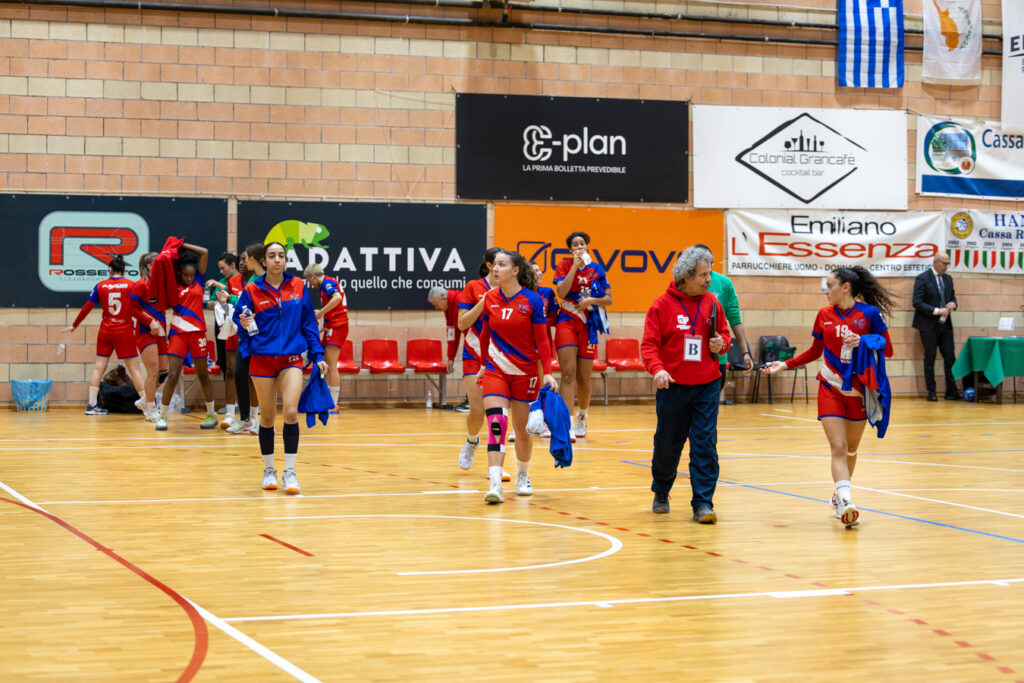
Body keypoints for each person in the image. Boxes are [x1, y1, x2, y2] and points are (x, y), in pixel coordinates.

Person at [762, 265, 896, 528]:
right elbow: (815, 351)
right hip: (830, 386)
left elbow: (888, 348)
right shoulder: (823, 314)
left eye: (829, 285)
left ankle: (838, 495)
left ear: (845, 288)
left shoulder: (869, 314)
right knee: (837, 447)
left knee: (851, 449)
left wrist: (866, 340)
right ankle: (846, 501)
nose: (825, 290)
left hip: (859, 390)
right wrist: (785, 364)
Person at [640, 247, 730, 522]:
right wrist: (658, 370)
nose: (708, 279)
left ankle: (703, 503)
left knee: (704, 444)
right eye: (703, 274)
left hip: (707, 384)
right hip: (673, 387)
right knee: (668, 443)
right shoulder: (660, 306)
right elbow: (649, 345)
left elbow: (724, 334)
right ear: (686, 276)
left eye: (709, 273)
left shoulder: (713, 302)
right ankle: (662, 491)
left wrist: (721, 343)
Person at [234, 241, 327, 494]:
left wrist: (317, 354)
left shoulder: (298, 286)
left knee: (290, 412)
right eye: (272, 256)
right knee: (265, 417)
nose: (277, 259)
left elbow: (308, 323)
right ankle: (268, 470)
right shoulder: (251, 289)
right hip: (262, 360)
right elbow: (238, 321)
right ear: (264, 261)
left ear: (286, 260)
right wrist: (243, 322)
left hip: (291, 359)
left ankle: (290, 471)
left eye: (281, 255)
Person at [476, 250, 558, 503]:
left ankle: (523, 475)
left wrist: (548, 373)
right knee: (496, 425)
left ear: (515, 271)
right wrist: (482, 365)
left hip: (525, 372)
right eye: (494, 265)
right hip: (496, 370)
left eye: (501, 265)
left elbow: (543, 340)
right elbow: (484, 336)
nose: (495, 269)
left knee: (522, 431)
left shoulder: (533, 301)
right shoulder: (490, 297)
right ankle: (495, 483)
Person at [63, 255, 148, 415]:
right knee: (135, 370)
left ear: (110, 270)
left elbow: (87, 307)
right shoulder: (132, 285)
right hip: (124, 330)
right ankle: (147, 407)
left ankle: (92, 405)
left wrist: (74, 325)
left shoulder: (100, 285)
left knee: (98, 368)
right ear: (123, 270)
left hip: (106, 329)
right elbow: (141, 308)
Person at [456, 247, 510, 481]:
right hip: (474, 354)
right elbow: (461, 323)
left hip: (501, 357)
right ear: (489, 265)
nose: (500, 268)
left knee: (497, 413)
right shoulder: (473, 288)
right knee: (477, 410)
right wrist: (485, 302)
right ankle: (471, 440)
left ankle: (494, 468)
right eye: (497, 263)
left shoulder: (512, 289)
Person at [553, 231, 612, 440]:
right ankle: (567, 423)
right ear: (570, 249)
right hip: (567, 320)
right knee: (567, 374)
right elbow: (561, 292)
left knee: (583, 379)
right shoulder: (563, 265)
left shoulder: (596, 269)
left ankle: (583, 416)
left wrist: (590, 302)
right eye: (574, 245)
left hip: (587, 324)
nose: (578, 247)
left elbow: (609, 298)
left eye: (582, 244)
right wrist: (574, 268)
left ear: (587, 246)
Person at [154, 244, 218, 431]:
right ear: (179, 274)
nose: (189, 278)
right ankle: (162, 415)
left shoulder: (198, 279)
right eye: (185, 275)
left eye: (191, 275)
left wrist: (182, 245)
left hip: (197, 333)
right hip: (177, 333)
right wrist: (175, 252)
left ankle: (211, 413)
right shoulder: (174, 282)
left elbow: (205, 252)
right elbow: (166, 261)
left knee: (203, 375)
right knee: (172, 375)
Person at [693, 244, 754, 397]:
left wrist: (745, 352)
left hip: (716, 358)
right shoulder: (686, 283)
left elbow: (735, 320)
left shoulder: (725, 284)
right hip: (691, 359)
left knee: (709, 407)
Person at [912, 253, 967, 401]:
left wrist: (954, 304)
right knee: (929, 358)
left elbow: (953, 297)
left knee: (950, 357)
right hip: (928, 325)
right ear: (935, 262)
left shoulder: (948, 279)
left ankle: (952, 391)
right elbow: (917, 302)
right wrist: (937, 311)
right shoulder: (923, 278)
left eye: (948, 263)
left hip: (945, 325)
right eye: (944, 263)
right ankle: (932, 392)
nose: (947, 266)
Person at [226, 243, 264, 435]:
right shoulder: (250, 284)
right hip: (247, 339)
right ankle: (245, 419)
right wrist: (241, 318)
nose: (243, 261)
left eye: (246, 258)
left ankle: (262, 421)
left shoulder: (267, 281)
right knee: (240, 374)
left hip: (264, 340)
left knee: (260, 379)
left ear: (254, 259)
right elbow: (242, 307)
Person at [129, 251, 168, 421]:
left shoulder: (161, 284)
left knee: (163, 372)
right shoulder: (140, 285)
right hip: (146, 332)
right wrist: (149, 322)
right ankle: (150, 410)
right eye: (159, 263)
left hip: (161, 331)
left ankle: (146, 399)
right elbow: (130, 308)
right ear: (149, 266)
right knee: (152, 371)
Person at [304, 263, 349, 412]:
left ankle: (333, 403)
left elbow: (336, 298)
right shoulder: (327, 284)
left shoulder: (327, 283)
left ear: (313, 276)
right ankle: (329, 400)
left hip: (338, 325)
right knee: (328, 364)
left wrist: (321, 313)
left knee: (331, 364)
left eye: (309, 281)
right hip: (333, 325)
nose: (310, 284)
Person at [207, 252, 242, 426]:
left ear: (234, 265)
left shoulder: (253, 281)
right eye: (219, 268)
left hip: (243, 328)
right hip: (224, 327)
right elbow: (211, 302)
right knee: (227, 366)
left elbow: (243, 301)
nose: (221, 271)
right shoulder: (226, 284)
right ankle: (231, 407)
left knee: (246, 368)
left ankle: (252, 409)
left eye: (223, 267)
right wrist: (215, 302)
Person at [427, 286, 463, 376]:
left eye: (436, 305)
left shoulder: (460, 300)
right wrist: (451, 358)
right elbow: (452, 335)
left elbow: (471, 329)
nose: (436, 308)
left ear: (443, 298)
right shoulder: (448, 309)